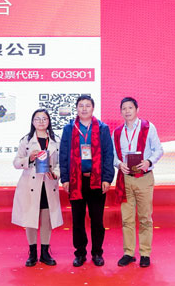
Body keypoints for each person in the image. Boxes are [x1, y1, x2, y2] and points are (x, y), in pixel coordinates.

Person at [59, 95, 114, 267]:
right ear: (76, 108)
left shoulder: (102, 128)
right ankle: (80, 253)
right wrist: (65, 178)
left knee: (97, 220)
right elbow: (63, 155)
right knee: (78, 220)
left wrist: (107, 178)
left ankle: (97, 253)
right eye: (81, 105)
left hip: (96, 180)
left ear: (93, 108)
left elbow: (108, 154)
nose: (84, 108)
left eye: (87, 105)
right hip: (76, 181)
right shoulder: (69, 129)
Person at [112, 97, 163, 268]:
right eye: (124, 108)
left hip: (144, 178)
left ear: (137, 109)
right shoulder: (117, 132)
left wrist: (149, 161)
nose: (127, 111)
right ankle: (128, 253)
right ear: (121, 112)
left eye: (130, 108)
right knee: (127, 219)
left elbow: (159, 150)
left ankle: (145, 253)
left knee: (145, 218)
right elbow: (113, 156)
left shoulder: (148, 127)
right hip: (125, 179)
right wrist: (119, 164)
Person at [12, 109, 63, 267]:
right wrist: (29, 158)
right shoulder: (26, 140)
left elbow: (61, 163)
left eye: (44, 118)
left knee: (47, 219)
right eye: (37, 119)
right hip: (30, 185)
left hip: (48, 184)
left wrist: (56, 174)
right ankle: (32, 253)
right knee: (30, 218)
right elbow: (16, 162)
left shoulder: (56, 140)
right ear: (33, 122)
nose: (41, 121)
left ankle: (45, 253)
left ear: (49, 121)